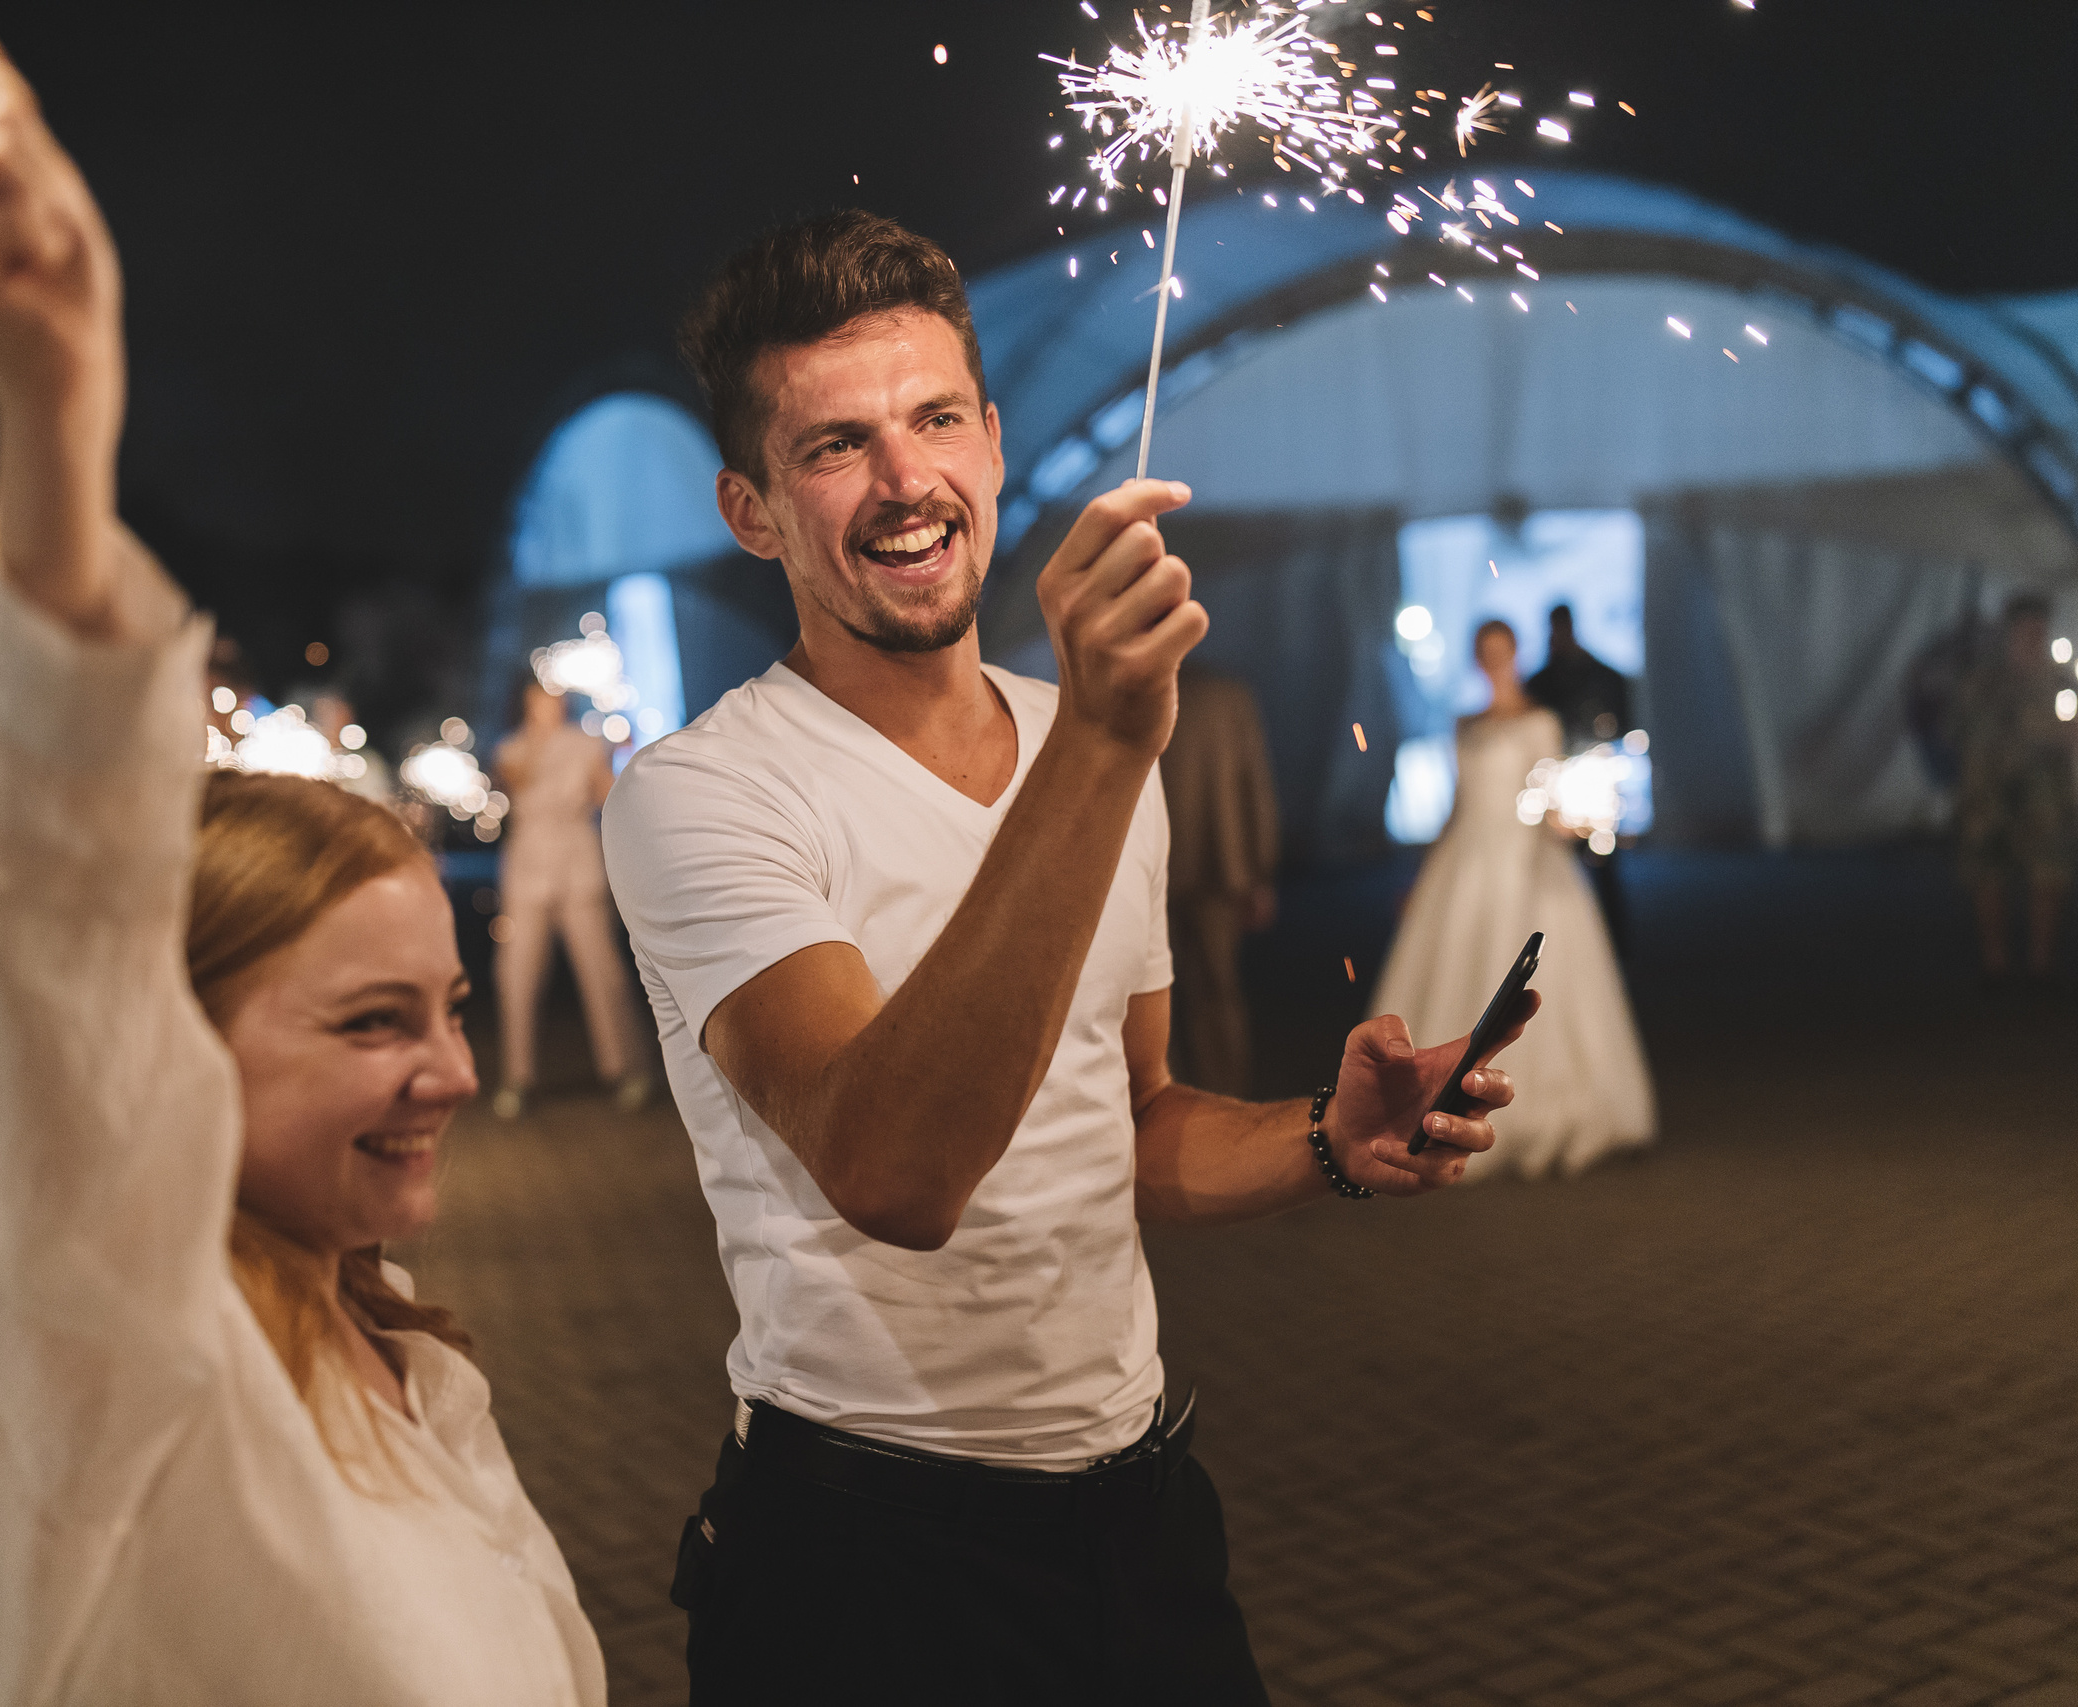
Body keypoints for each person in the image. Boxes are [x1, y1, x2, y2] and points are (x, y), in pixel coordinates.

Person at [601, 210, 1528, 1703]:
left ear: (993, 440)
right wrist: (1102, 744)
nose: (904, 480)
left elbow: (1129, 1121)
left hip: (1142, 1520)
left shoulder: (1089, 738)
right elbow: (895, 1171)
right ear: (752, 511)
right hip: (863, 1554)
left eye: (935, 420)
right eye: (835, 446)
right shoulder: (706, 793)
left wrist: (1326, 1139)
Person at [0, 17, 604, 1700]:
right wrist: (55, 415)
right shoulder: (103, 1365)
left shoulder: (409, 1360)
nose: (455, 1073)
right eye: (373, 1020)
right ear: (153, 1051)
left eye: (449, 1007)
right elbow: (59, 925)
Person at [1373, 620, 1654, 1182]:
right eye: (1486, 653)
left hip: (1524, 862)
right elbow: (1457, 804)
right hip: (1467, 861)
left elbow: (1549, 803)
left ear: (1515, 654)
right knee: (1458, 969)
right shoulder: (1465, 724)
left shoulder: (1539, 722)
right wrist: (1424, 876)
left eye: (1502, 652)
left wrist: (1580, 823)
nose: (1495, 662)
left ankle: (1535, 1108)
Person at [490, 679, 651, 1118]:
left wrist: (624, 759)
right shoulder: (512, 747)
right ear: (526, 703)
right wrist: (540, 741)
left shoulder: (586, 743)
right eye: (539, 700)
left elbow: (607, 794)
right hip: (528, 867)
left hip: (578, 863)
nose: (549, 707)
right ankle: (516, 1077)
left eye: (554, 700)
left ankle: (627, 1068)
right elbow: (516, 780)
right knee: (516, 973)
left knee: (602, 971)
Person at [1160, 663, 1280, 1097]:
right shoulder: (1228, 696)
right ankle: (1223, 1096)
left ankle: (1174, 1095)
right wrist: (1260, 869)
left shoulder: (1132, 689)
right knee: (1215, 992)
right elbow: (1254, 785)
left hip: (1158, 867)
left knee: (1159, 997)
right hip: (1219, 868)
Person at [1953, 592, 2076, 984]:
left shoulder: (2060, 681)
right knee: (1988, 875)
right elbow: (1958, 731)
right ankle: (1996, 964)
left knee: (2049, 874)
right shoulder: (1982, 679)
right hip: (1988, 796)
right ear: (2009, 632)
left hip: (2046, 798)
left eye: (2039, 631)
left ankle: (2041, 965)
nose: (2033, 639)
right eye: (2026, 631)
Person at [1524, 603, 1633, 952]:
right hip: (1560, 782)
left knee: (1602, 862)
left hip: (1591, 778)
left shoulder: (1596, 676)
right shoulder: (1542, 682)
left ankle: (1612, 940)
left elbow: (1620, 719)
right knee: (1563, 863)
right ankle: (1581, 938)